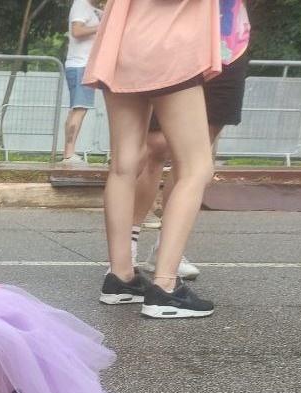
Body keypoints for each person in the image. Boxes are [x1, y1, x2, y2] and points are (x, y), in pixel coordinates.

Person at [85, 0, 220, 319]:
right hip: (169, 44)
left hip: (120, 42)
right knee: (196, 166)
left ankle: (121, 278)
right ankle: (165, 287)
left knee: (123, 164)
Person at [131, 0, 252, 281]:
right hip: (175, 39)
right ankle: (129, 244)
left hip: (228, 44)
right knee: (156, 146)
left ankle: (166, 250)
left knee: (196, 156)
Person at [61, 0, 103, 164]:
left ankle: (68, 153)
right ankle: (69, 154)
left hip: (84, 65)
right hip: (80, 64)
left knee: (76, 109)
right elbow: (77, 31)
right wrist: (101, 27)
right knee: (79, 109)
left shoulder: (93, 9)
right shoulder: (81, 4)